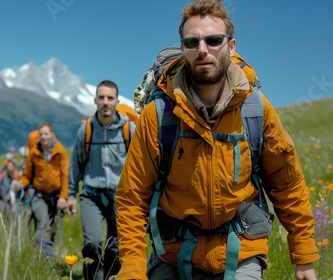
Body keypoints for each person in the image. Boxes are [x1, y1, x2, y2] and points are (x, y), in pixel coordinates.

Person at [114, 1, 319, 280]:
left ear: (231, 46)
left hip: (241, 253)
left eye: (213, 40)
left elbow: (288, 185)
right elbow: (132, 197)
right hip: (173, 255)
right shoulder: (158, 115)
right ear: (183, 48)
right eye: (192, 42)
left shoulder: (256, 110)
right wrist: (133, 270)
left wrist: (304, 257)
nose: (202, 49)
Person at [66, 80, 135, 280]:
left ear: (117, 101)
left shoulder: (128, 130)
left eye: (110, 98)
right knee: (93, 243)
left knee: (115, 246)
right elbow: (75, 165)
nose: (106, 102)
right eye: (102, 97)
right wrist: (70, 194)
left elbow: (140, 165)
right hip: (91, 195)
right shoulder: (86, 130)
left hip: (120, 197)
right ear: (95, 100)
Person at [20, 122, 69, 258]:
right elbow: (27, 175)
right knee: (42, 222)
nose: (44, 137)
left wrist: (63, 197)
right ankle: (47, 257)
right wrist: (20, 184)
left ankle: (42, 255)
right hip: (39, 195)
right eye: (41, 134)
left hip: (56, 196)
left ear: (52, 135)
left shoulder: (60, 151)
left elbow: (65, 176)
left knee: (52, 228)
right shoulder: (34, 153)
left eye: (46, 134)